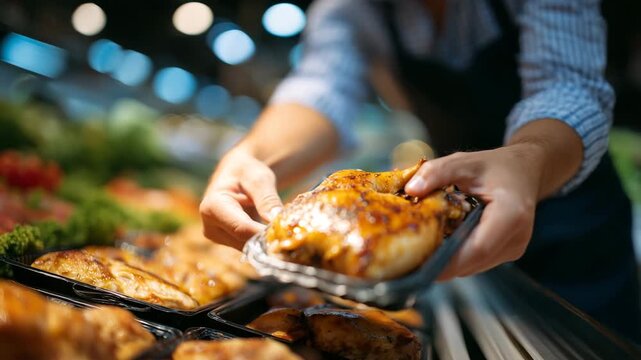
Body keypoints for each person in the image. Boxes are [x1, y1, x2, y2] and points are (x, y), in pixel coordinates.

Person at [200, 0, 641, 341]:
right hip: (458, 223)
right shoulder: (354, 8)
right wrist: (254, 155)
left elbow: (569, 86)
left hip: (580, 232)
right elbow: (320, 89)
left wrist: (530, 161)